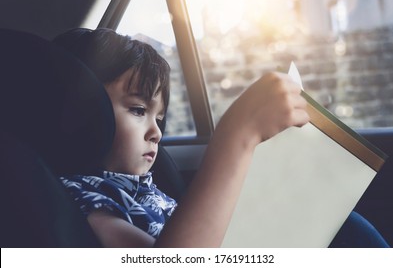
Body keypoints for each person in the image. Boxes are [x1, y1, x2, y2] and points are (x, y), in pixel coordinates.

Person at [53, 28, 389, 248]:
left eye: (160, 118)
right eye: (139, 110)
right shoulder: (85, 200)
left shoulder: (146, 188)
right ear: (82, 111)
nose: (156, 132)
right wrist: (236, 135)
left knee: (349, 228)